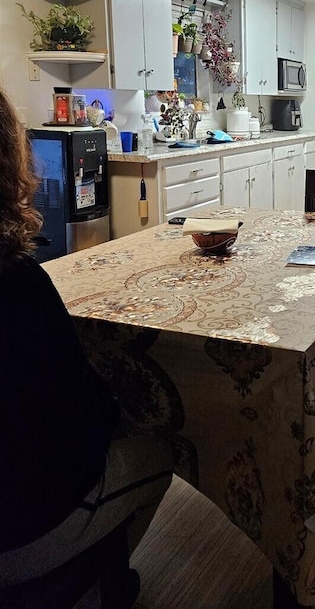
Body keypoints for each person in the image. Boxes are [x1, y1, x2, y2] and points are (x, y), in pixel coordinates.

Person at [0, 88, 174, 596]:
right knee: (164, 450)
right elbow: (79, 412)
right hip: (23, 529)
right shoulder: (18, 284)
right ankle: (100, 582)